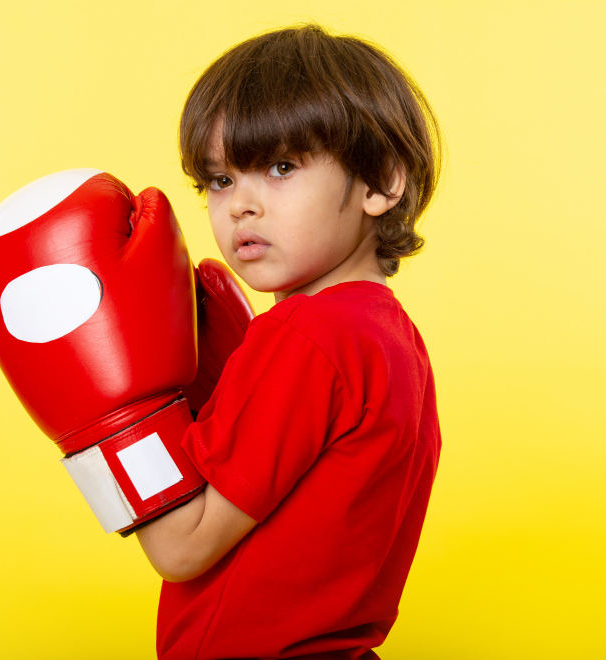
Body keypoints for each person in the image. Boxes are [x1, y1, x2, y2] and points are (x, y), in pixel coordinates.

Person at [134, 23, 443, 659]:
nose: (241, 204)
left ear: (381, 181)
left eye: (279, 167)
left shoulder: (308, 335)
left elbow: (181, 547)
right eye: (219, 180)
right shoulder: (387, 337)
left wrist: (112, 425)